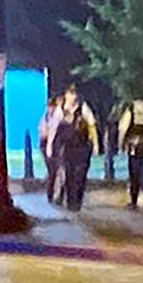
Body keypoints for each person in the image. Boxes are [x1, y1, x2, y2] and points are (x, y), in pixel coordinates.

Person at [47, 84, 99, 212]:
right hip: (66, 147)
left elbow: (91, 126)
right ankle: (71, 201)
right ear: (66, 95)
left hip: (81, 146)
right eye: (70, 94)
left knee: (80, 174)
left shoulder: (83, 108)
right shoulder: (60, 110)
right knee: (69, 174)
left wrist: (96, 143)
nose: (72, 97)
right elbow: (53, 128)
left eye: (74, 94)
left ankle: (77, 200)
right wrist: (50, 145)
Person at [38, 97, 62, 204]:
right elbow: (42, 132)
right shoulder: (45, 117)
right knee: (52, 170)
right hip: (46, 144)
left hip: (54, 144)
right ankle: (51, 194)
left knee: (55, 170)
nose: (50, 108)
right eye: (49, 106)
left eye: (52, 106)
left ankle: (53, 194)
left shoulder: (57, 116)